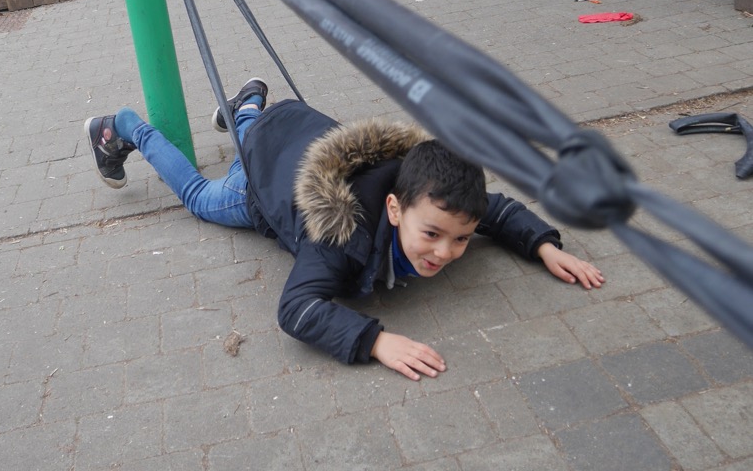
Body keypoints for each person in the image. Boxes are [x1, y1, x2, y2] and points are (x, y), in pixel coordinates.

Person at [86, 78, 604, 381]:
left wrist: (543, 245)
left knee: (254, 136)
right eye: (432, 236)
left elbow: (498, 210)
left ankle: (248, 107)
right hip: (264, 185)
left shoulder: (434, 196)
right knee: (202, 198)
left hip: (293, 135)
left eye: (462, 239)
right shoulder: (338, 235)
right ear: (396, 208)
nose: (446, 252)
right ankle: (127, 126)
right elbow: (296, 309)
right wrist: (374, 341)